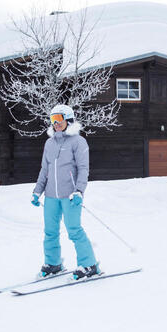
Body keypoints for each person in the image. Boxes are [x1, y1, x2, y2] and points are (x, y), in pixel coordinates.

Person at [31, 104, 98, 279]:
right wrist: (37, 191)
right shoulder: (49, 143)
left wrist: (79, 191)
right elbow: (44, 170)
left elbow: (83, 169)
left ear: (68, 120)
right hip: (51, 195)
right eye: (53, 120)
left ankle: (89, 264)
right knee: (50, 231)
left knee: (74, 230)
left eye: (59, 119)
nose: (56, 123)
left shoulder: (78, 141)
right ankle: (53, 263)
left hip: (70, 195)